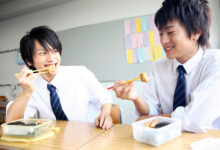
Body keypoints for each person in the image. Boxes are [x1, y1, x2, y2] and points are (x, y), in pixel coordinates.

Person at [113, 0, 220, 133]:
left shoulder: (215, 62)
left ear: (196, 32)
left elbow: (197, 118)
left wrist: (153, 120)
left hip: (208, 140)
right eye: (161, 34)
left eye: (170, 33)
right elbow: (149, 110)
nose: (163, 41)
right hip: (168, 138)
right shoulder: (158, 66)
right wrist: (136, 98)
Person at [6, 26, 112, 130]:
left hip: (90, 132)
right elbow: (11, 121)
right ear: (29, 60)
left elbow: (104, 98)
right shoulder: (31, 85)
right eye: (43, 53)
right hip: (57, 138)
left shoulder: (80, 73)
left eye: (55, 51)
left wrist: (105, 114)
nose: (51, 59)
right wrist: (26, 92)